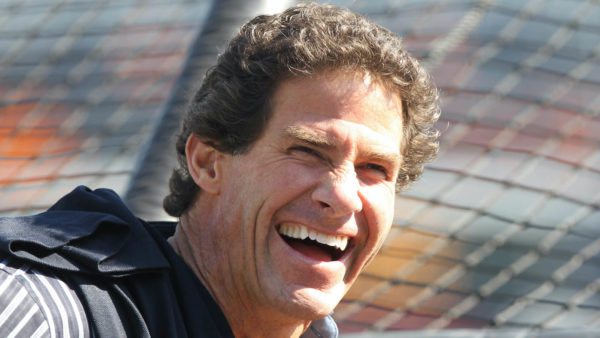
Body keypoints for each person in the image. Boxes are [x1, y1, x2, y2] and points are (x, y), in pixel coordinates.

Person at [0, 3, 439, 337]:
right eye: (308, 151)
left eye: (375, 168)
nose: (342, 196)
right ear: (208, 163)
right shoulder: (42, 312)